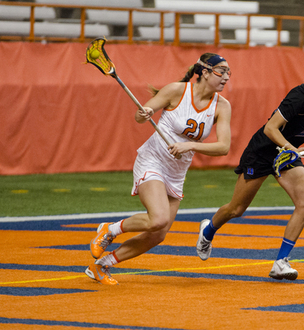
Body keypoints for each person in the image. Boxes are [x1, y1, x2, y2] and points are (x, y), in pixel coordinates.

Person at [196, 55, 304, 280]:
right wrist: (294, 148)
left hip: (286, 154)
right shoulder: (298, 98)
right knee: (236, 209)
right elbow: (270, 129)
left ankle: (281, 262)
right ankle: (208, 230)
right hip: (263, 151)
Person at [85, 53, 232, 285]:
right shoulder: (176, 91)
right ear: (204, 72)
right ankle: (110, 229)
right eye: (221, 72)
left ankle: (101, 266)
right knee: (158, 219)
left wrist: (189, 146)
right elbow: (139, 116)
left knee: (158, 234)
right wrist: (144, 113)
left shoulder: (222, 106)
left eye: (228, 73)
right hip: (153, 160)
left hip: (177, 172)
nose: (226, 77)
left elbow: (223, 147)